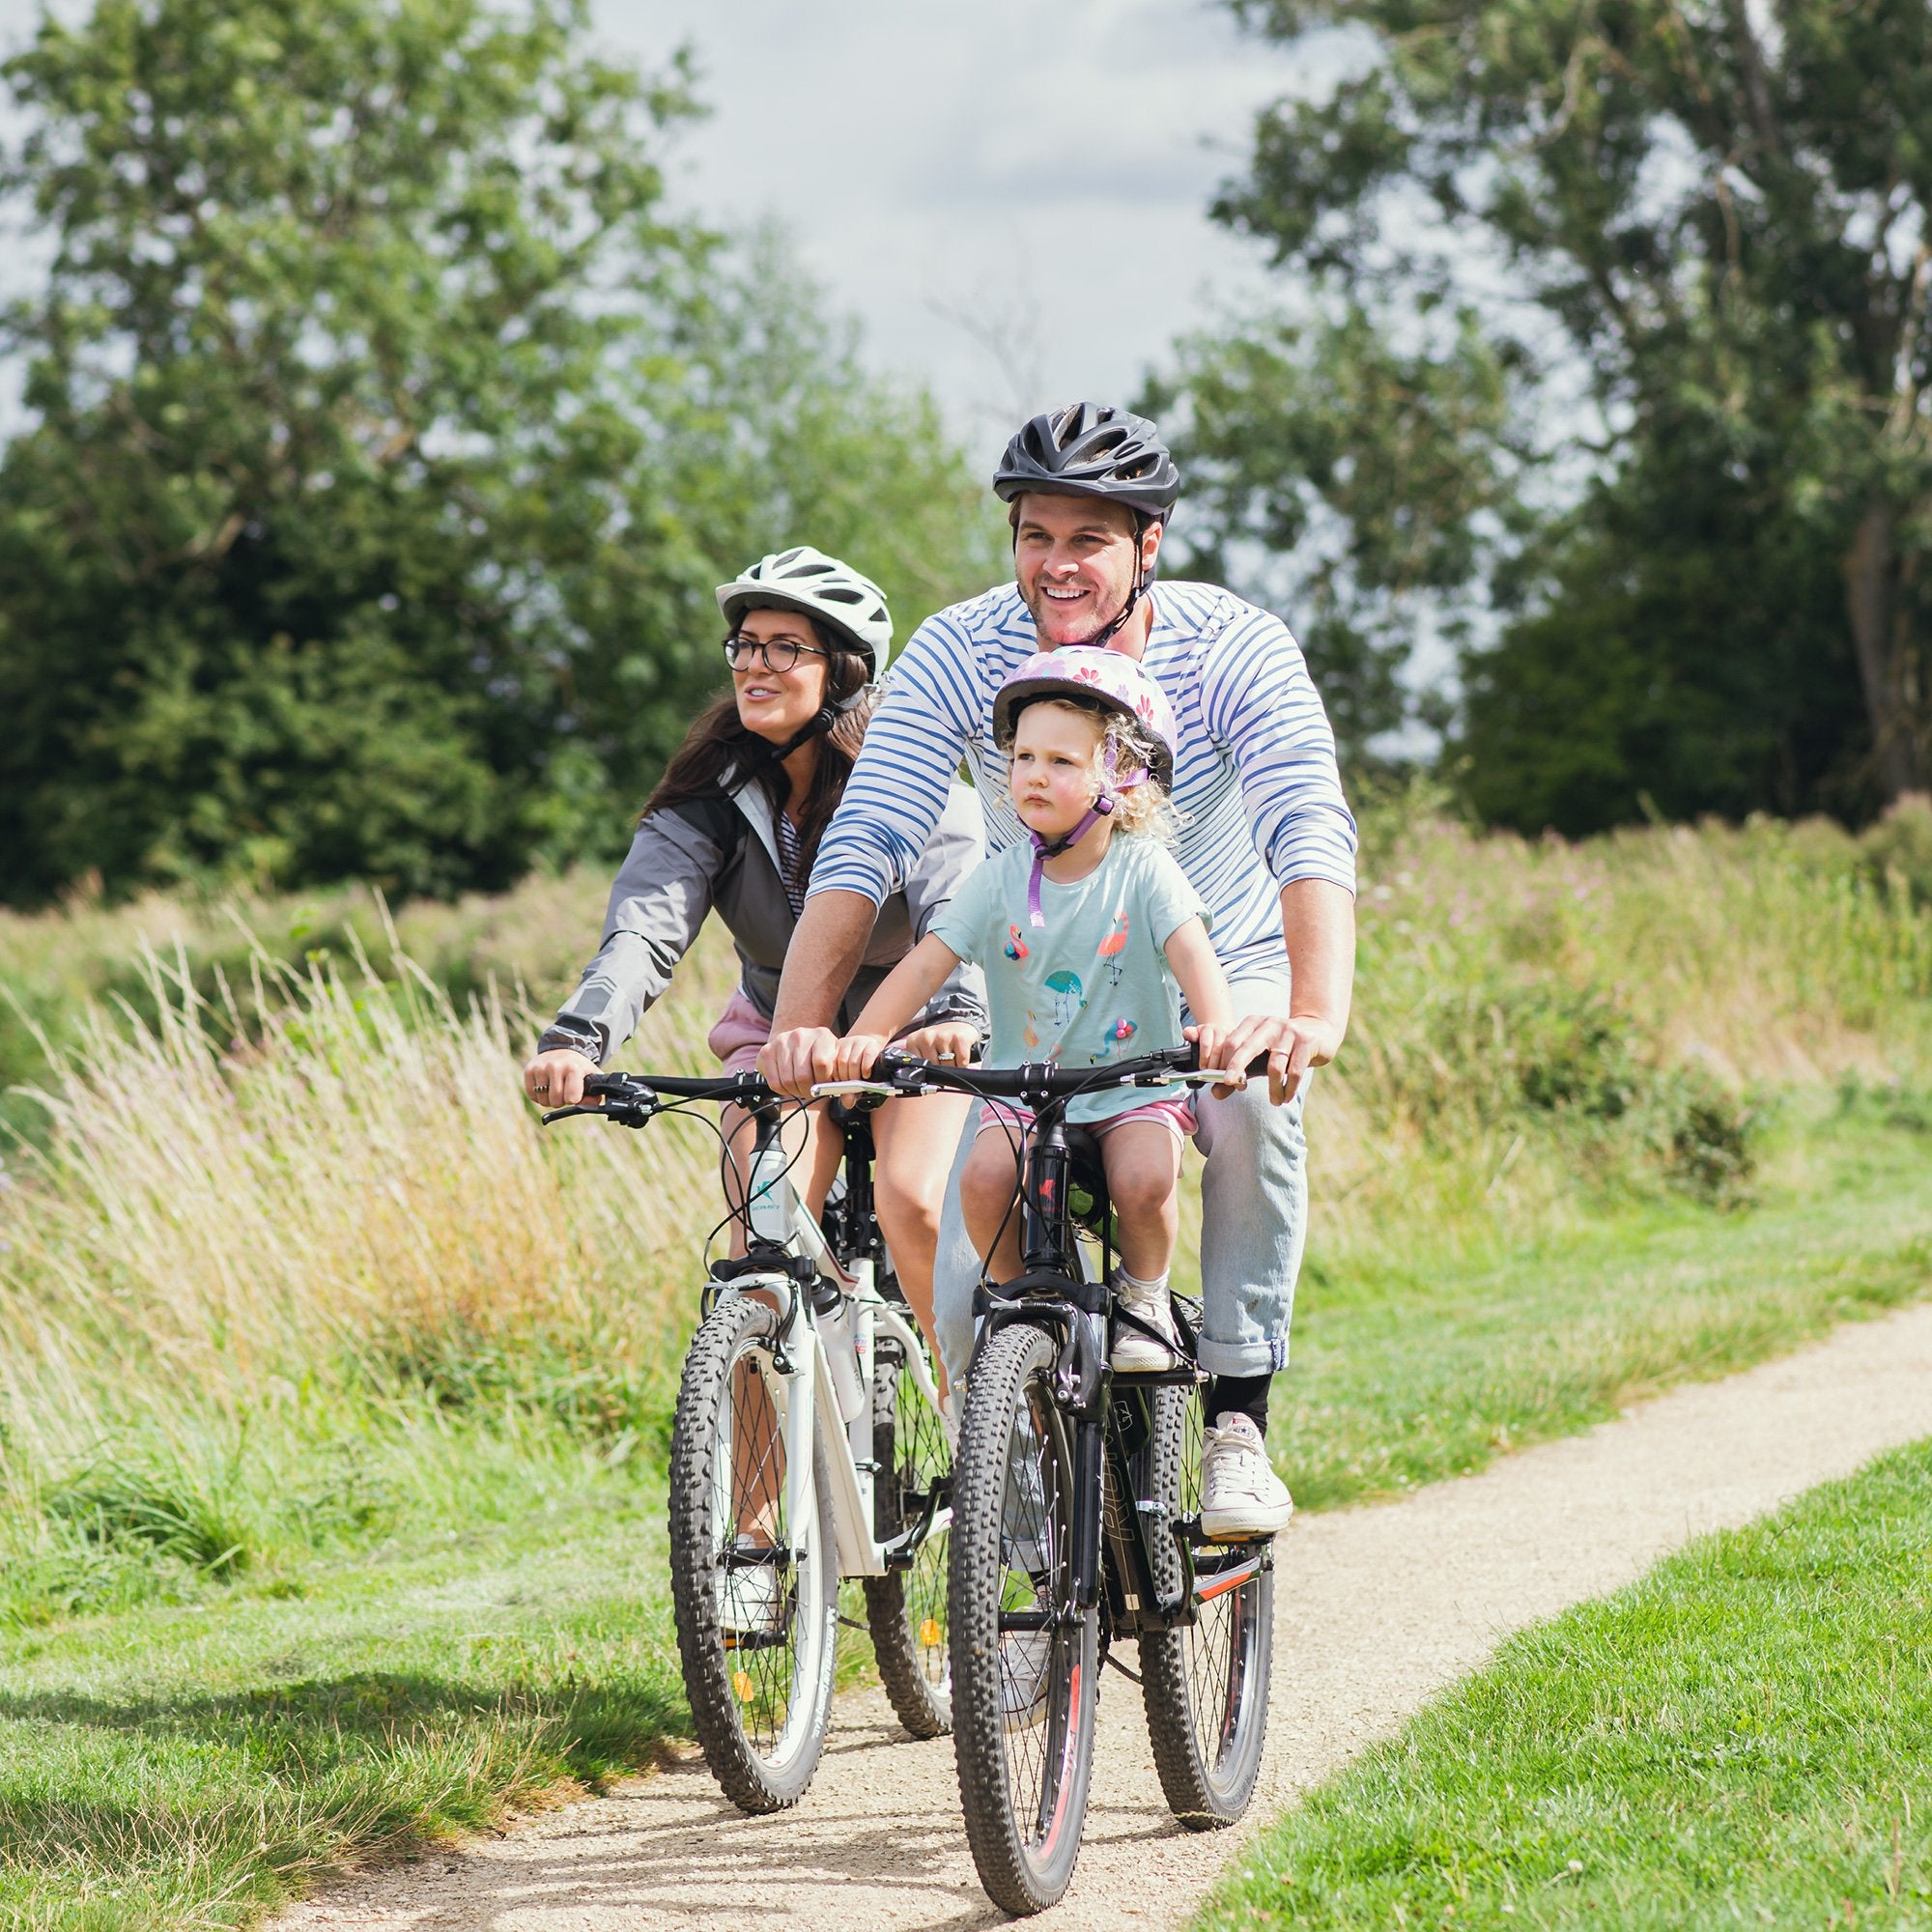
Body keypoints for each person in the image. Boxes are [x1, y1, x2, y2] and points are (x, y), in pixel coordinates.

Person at [760, 405, 1357, 1541]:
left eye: (1088, 538)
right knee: (976, 1178)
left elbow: (1305, 826)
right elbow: (867, 837)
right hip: (1041, 979)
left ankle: (1234, 1418)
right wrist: (802, 1033)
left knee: (1254, 1114)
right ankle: (1002, 1424)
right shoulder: (958, 647)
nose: (1056, 564)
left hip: (1216, 960)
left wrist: (1312, 1012)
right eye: (1036, 534)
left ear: (1148, 546)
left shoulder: (1233, 646)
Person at [524, 545, 984, 1374]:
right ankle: (754, 1508)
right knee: (761, 1259)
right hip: (779, 1042)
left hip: (914, 1037)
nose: (754, 665)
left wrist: (956, 1015)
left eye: (785, 648)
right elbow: (645, 930)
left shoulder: (911, 787)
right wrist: (577, 1037)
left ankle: (977, 1421)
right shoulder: (710, 796)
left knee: (914, 1204)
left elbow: (959, 909)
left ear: (841, 673)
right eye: (744, 644)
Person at [831, 650, 1261, 1373]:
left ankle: (1145, 1295)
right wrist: (864, 1041)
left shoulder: (1143, 869)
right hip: (1022, 1089)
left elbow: (1193, 958)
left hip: (1131, 1088)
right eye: (1023, 755)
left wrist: (1215, 1026)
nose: (1033, 772)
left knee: (1143, 1182)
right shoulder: (998, 879)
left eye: (1061, 760)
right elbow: (925, 965)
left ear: (1119, 779)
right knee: (983, 1180)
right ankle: (1015, 1307)